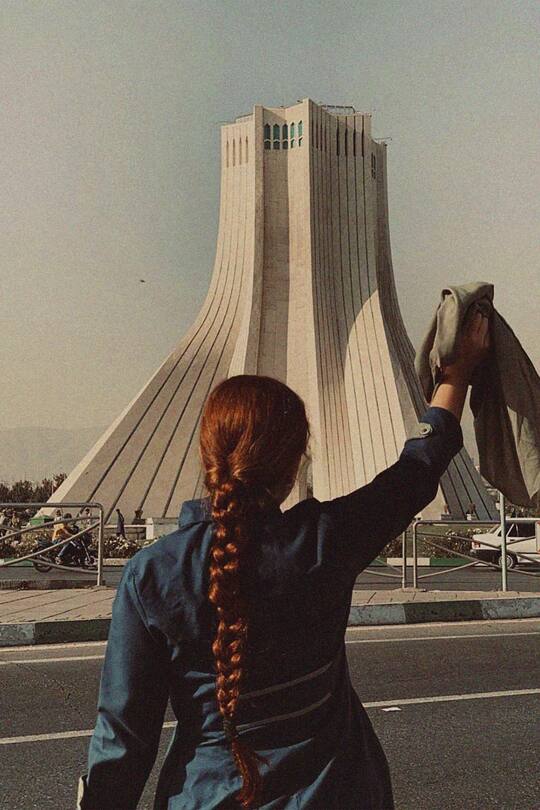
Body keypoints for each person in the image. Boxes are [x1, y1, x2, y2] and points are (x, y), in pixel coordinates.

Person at [77, 311, 490, 809]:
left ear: (207, 458)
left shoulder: (153, 574)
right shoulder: (326, 541)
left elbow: (123, 738)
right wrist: (458, 372)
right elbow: (419, 467)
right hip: (335, 793)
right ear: (294, 463)